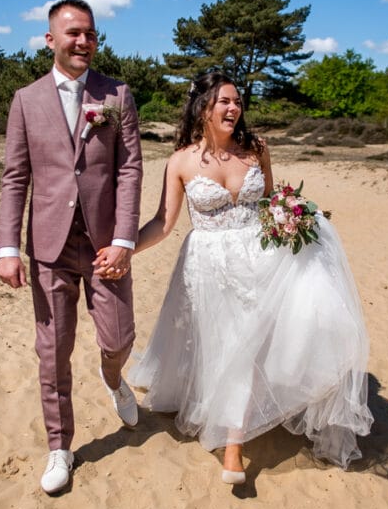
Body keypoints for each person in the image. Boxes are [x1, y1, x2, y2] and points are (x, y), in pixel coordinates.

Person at [130, 71, 372, 484]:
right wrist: (124, 247)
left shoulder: (257, 148)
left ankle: (233, 446)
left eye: (238, 101)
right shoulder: (181, 161)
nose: (234, 108)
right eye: (224, 101)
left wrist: (293, 219)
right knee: (225, 346)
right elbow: (164, 223)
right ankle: (232, 433)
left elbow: (272, 203)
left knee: (253, 346)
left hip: (261, 258)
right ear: (203, 107)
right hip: (209, 266)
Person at [0, 0, 144, 495]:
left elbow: (129, 169)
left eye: (91, 33)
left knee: (119, 337)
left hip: (106, 244)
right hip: (49, 249)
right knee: (53, 352)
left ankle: (114, 379)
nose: (84, 41)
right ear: (50, 39)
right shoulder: (25, 99)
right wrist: (7, 248)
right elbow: (15, 177)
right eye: (73, 33)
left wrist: (124, 239)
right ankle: (60, 446)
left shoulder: (117, 95)